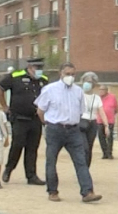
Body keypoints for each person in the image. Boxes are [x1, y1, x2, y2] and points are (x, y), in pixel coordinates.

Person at [36, 62, 101, 203]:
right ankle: (52, 191)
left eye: (73, 74)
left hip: (73, 130)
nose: (70, 77)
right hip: (55, 128)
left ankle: (87, 191)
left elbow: (81, 110)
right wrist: (47, 124)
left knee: (81, 160)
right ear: (61, 73)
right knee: (51, 160)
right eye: (67, 74)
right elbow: (40, 110)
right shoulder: (49, 89)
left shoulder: (78, 91)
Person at [0, 58, 48, 185]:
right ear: (29, 67)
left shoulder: (44, 79)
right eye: (36, 68)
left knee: (33, 148)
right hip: (20, 118)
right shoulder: (16, 76)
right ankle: (8, 169)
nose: (38, 70)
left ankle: (31, 175)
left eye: (40, 68)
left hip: (35, 119)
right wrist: (5, 107)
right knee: (17, 145)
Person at [79, 72, 109, 167]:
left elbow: (101, 112)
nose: (88, 84)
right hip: (81, 122)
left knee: (89, 147)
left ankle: (86, 168)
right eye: (86, 81)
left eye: (90, 82)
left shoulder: (96, 98)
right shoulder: (79, 95)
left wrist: (106, 125)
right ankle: (81, 167)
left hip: (92, 123)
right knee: (84, 147)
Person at [96, 84, 117, 159]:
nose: (101, 91)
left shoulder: (112, 97)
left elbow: (116, 108)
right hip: (99, 120)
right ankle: (104, 153)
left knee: (109, 136)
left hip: (110, 120)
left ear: (106, 90)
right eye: (100, 90)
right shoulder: (97, 98)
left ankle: (109, 153)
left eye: (102, 90)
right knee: (101, 137)